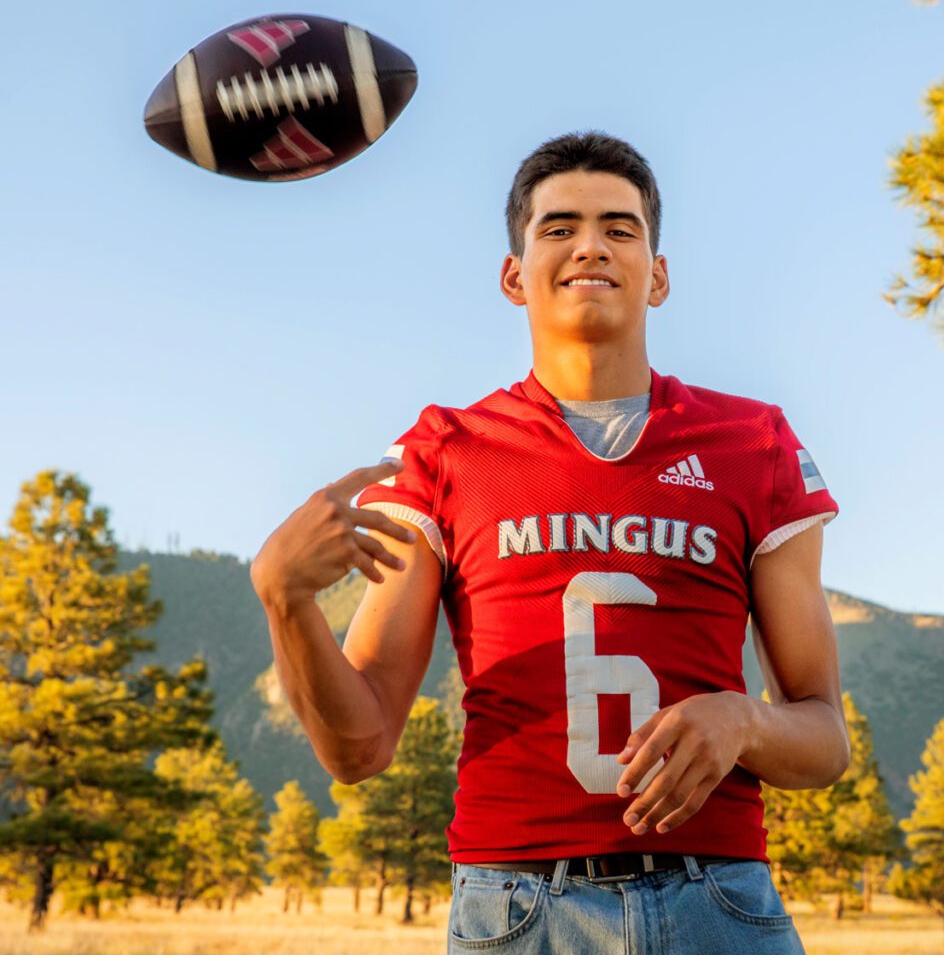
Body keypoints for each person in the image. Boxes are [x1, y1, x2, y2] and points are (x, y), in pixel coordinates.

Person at [250, 131, 850, 954]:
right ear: (514, 275)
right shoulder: (442, 452)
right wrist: (284, 601)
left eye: (621, 227)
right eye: (559, 228)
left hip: (719, 896)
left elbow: (823, 740)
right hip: (520, 904)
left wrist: (743, 721)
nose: (591, 245)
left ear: (659, 274)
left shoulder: (755, 442)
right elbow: (360, 748)